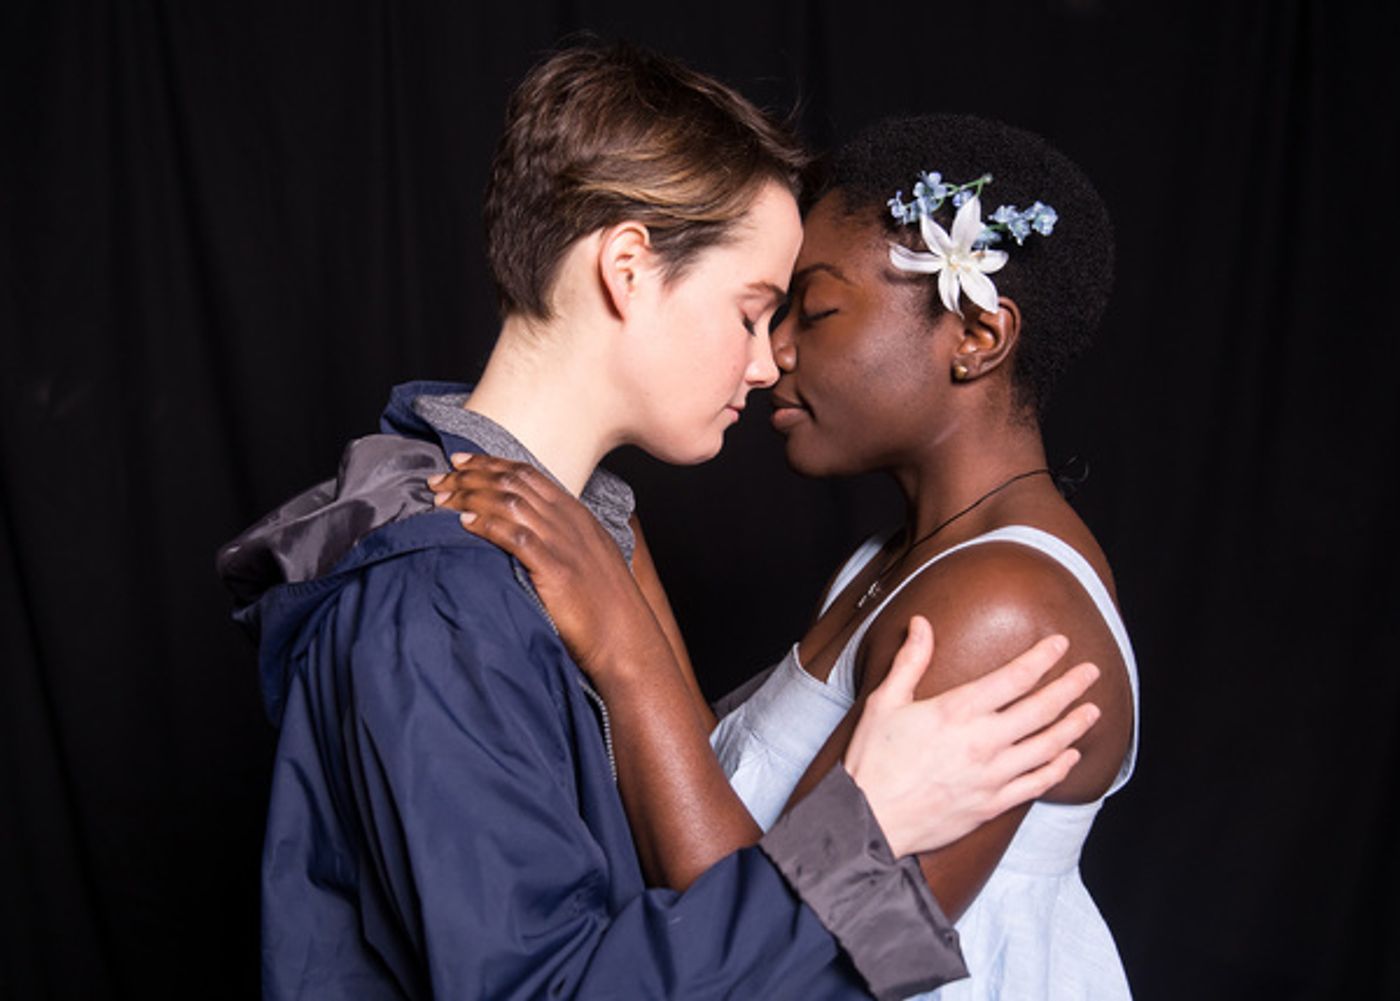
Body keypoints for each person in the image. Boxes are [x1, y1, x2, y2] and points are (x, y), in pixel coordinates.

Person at [216, 46, 1102, 1000]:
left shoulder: (559, 547)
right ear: (630, 268)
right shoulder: (441, 594)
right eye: (753, 312)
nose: (768, 365)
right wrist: (869, 827)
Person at [430, 113, 1137, 999]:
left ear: (978, 337)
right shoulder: (895, 560)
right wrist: (616, 539)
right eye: (767, 313)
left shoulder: (1005, 610)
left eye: (818, 309)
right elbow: (733, 793)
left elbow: (768, 951)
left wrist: (621, 633)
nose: (774, 353)